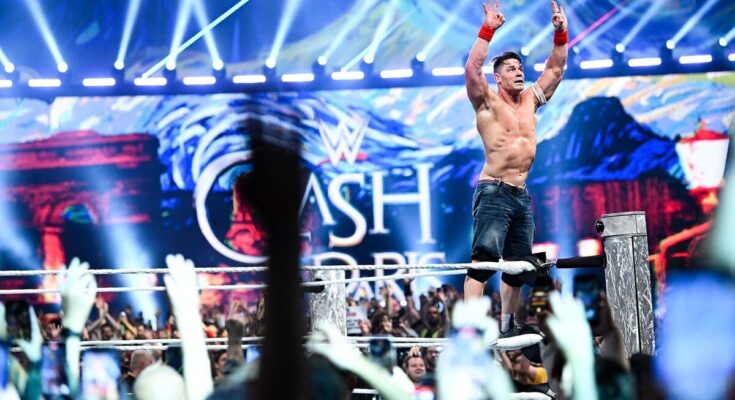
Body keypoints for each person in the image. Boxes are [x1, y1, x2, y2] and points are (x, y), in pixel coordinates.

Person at [463, 0, 568, 338]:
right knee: (483, 262)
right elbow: (472, 70)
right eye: (510, 68)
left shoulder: (530, 100)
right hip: (494, 189)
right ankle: (470, 329)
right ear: (497, 77)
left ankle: (508, 325)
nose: (518, 71)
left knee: (518, 265)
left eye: (520, 67)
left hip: (521, 195)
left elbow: (556, 70)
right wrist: (487, 30)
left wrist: (561, 32)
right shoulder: (487, 102)